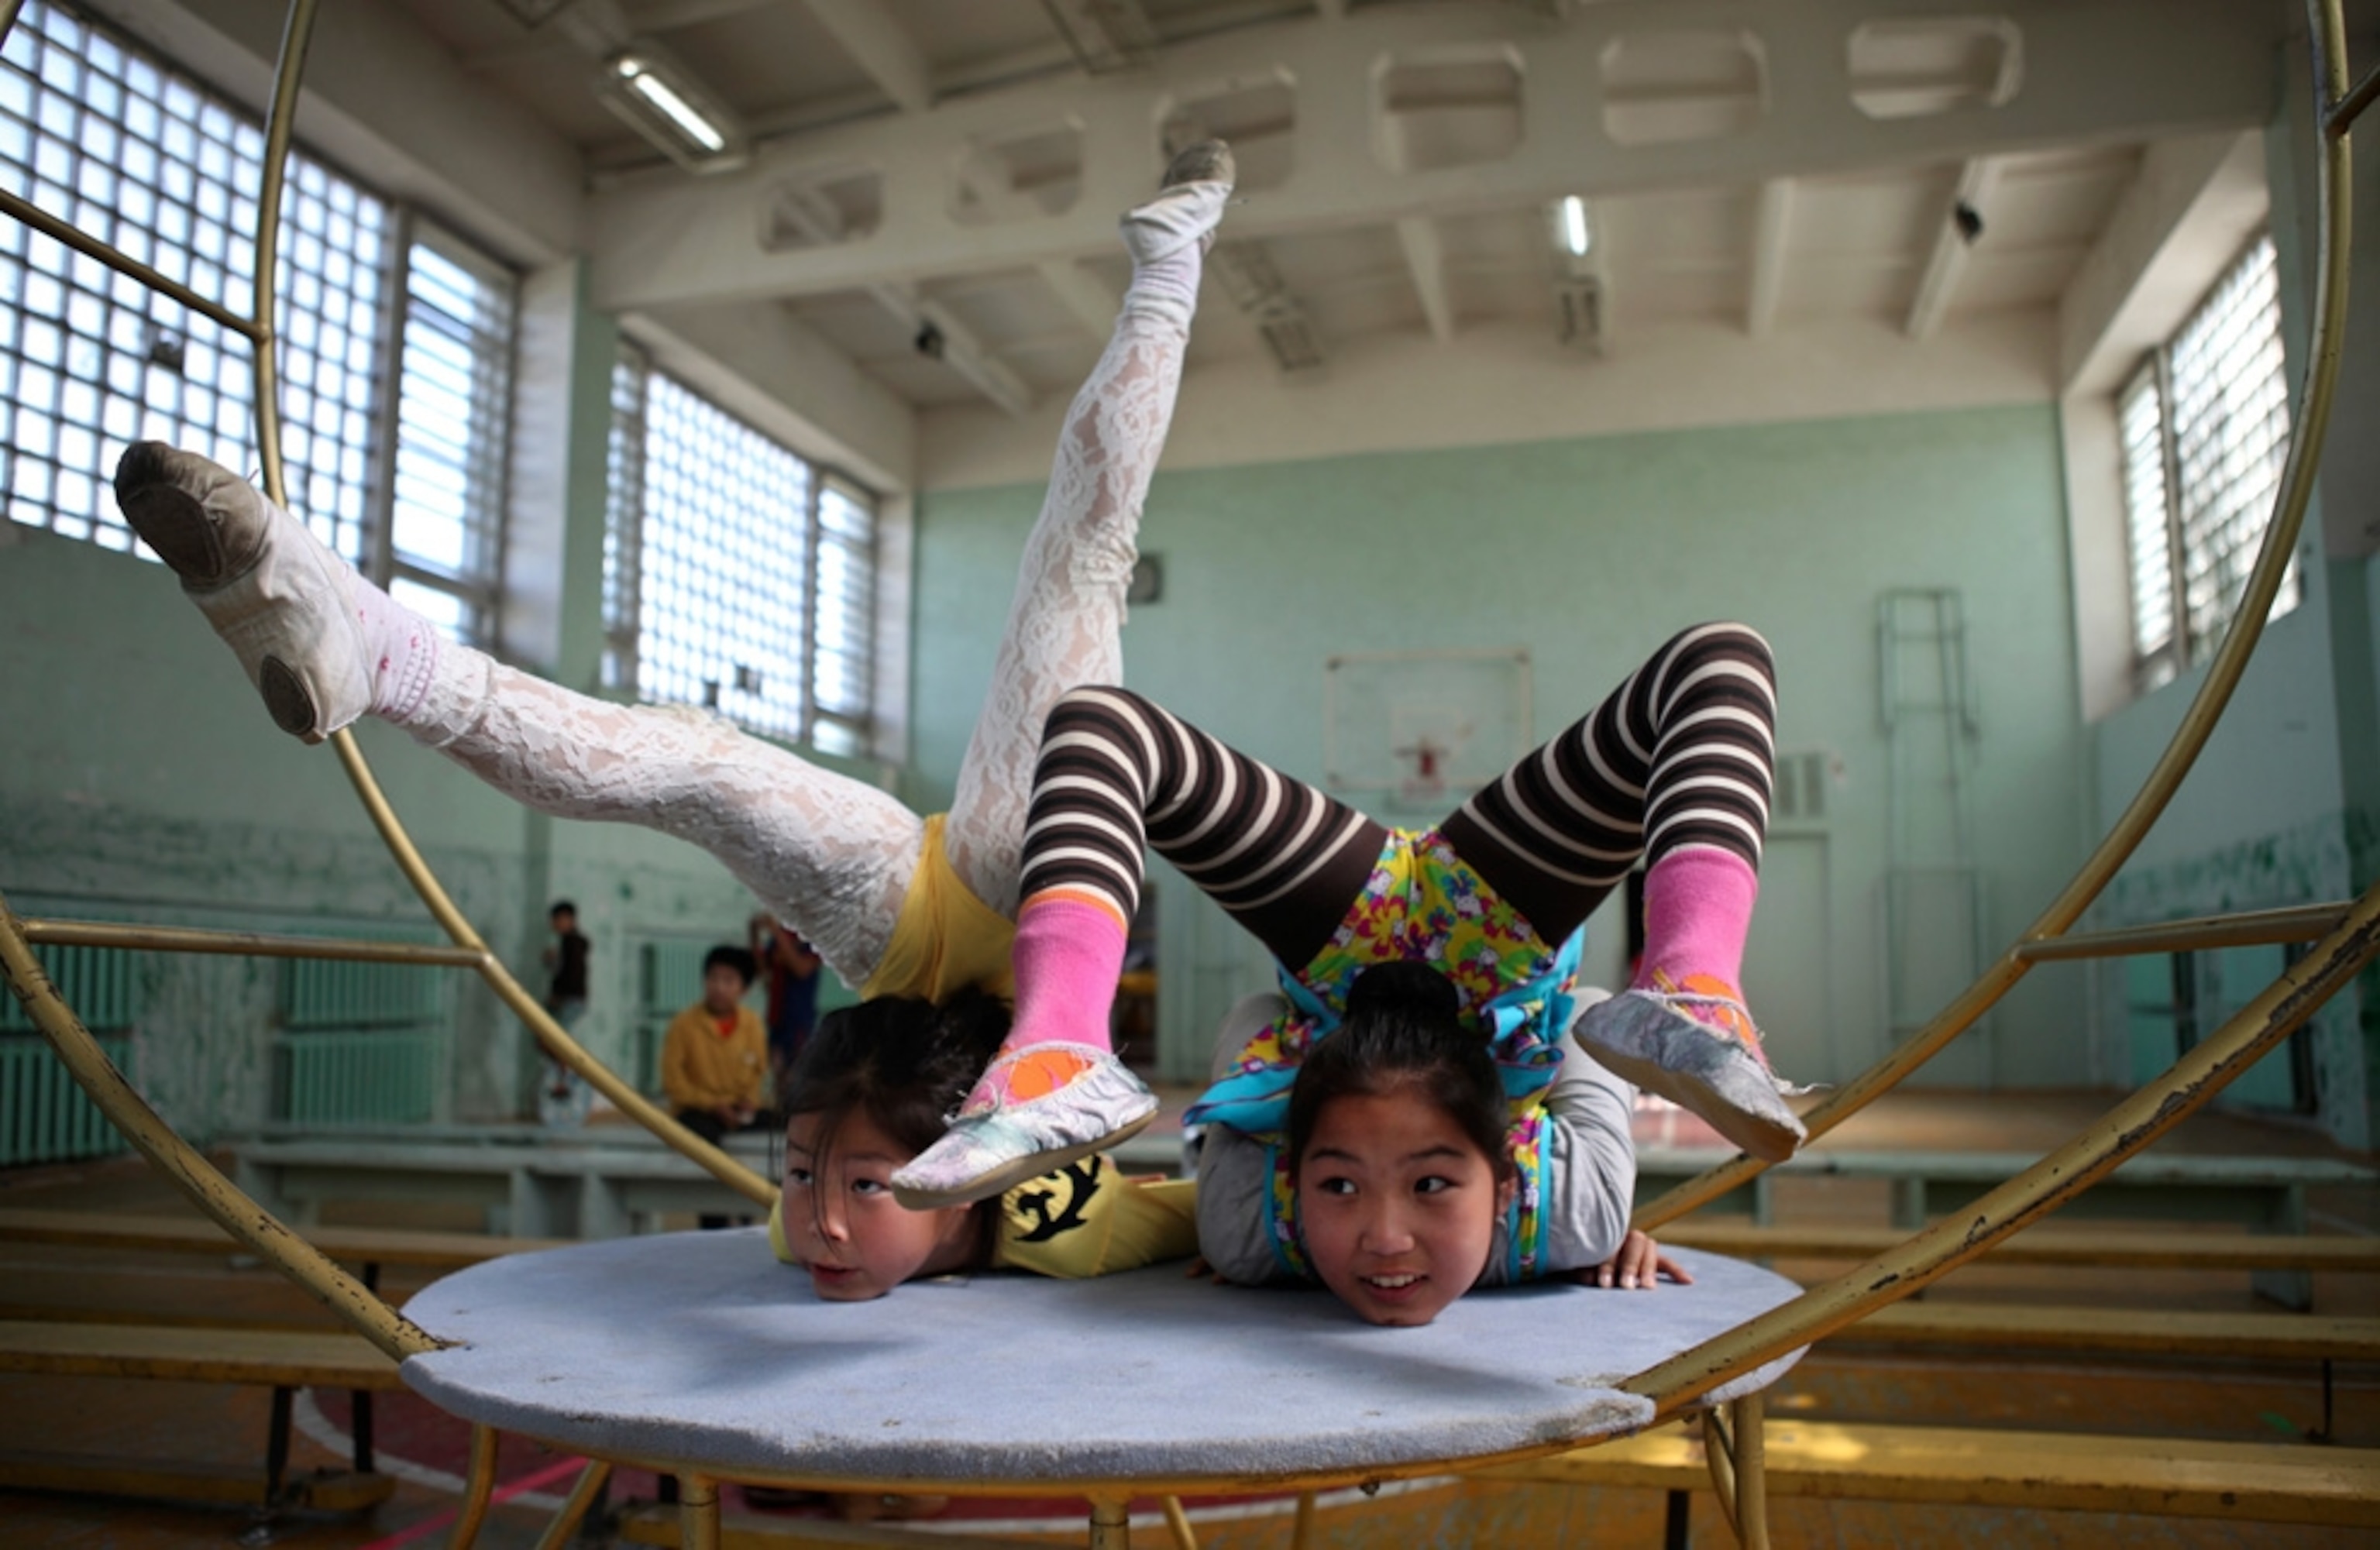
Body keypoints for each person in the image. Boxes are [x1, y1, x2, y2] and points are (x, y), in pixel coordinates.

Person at [108, 139, 1239, 1222]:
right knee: (736, 740)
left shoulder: (952, 1219)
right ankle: (374, 649)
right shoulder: (1083, 1218)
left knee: (737, 742)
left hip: (937, 925)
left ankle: (381, 654)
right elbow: (1190, 1223)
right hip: (973, 905)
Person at [891, 624, 1801, 1322]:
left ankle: (1060, 1044)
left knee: (1100, 725)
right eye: (1429, 1184)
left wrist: (1289, 1080)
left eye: (1341, 1185)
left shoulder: (1252, 1236)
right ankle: (1693, 981)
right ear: (1507, 1178)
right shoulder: (1572, 1217)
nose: (1385, 1240)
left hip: (1344, 928)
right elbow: (1594, 1012)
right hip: (1500, 925)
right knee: (1715, 665)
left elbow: (1254, 1011)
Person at [662, 944, 770, 1146]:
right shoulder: (683, 1024)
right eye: (713, 978)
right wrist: (713, 1105)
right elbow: (674, 1084)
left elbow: (757, 1071)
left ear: (744, 989)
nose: (719, 987)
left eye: (729, 981)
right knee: (706, 1133)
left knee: (784, 1123)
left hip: (737, 1108)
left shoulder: (752, 1023)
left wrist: (749, 1102)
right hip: (697, 1109)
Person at [748, 912, 821, 1101]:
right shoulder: (780, 938)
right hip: (777, 1016)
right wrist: (754, 933)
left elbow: (802, 969)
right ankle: (781, 1116)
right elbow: (763, 969)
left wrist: (775, 931)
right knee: (778, 1073)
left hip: (799, 1017)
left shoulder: (811, 940)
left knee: (796, 1075)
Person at [538, 900, 592, 1125]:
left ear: (569, 920)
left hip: (570, 1000)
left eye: (558, 919)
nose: (554, 924)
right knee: (546, 1038)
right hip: (568, 999)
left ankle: (565, 1075)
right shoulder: (567, 943)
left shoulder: (573, 944)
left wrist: (558, 996)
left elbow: (572, 975)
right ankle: (562, 1071)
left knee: (555, 1040)